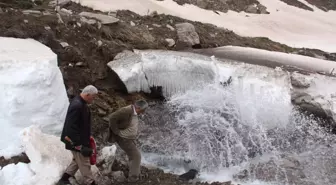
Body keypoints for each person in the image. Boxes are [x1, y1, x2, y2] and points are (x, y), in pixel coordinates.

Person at [57, 85, 99, 185]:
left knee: (77, 161)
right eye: (93, 97)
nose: (94, 100)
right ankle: (90, 182)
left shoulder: (80, 103)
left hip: (79, 140)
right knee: (85, 164)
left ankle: (64, 179)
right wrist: (79, 146)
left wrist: (88, 136)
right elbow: (70, 127)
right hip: (76, 141)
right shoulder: (77, 105)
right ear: (87, 94)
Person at [107, 100, 148, 182]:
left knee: (132, 156)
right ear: (139, 108)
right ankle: (133, 178)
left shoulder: (134, 112)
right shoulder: (126, 110)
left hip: (128, 138)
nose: (144, 112)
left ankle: (133, 173)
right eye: (144, 110)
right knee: (137, 156)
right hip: (123, 138)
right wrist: (116, 131)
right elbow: (112, 118)